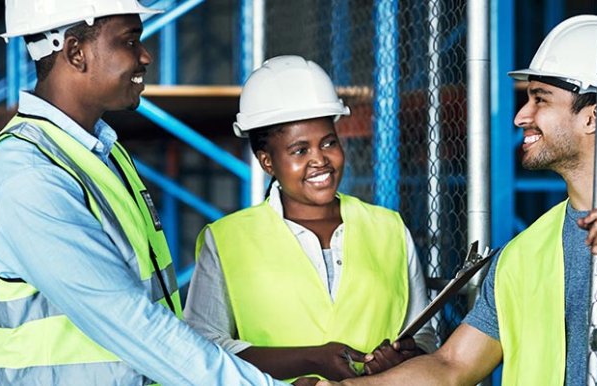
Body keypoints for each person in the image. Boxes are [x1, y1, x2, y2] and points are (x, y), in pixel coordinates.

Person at [317, 15, 597, 386]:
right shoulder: (523, 253)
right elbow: (451, 366)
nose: (520, 116)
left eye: (539, 99)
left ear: (594, 115)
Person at [0, 1, 285, 384]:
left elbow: (156, 313)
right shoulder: (25, 176)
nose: (145, 56)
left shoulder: (103, 152)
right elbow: (134, 324)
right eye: (130, 41)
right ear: (75, 52)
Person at [184, 55, 437, 383]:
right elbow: (201, 348)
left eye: (328, 142)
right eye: (299, 151)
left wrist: (400, 359)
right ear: (267, 162)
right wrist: (309, 359)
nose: (320, 159)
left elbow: (426, 339)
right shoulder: (227, 240)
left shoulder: (388, 228)